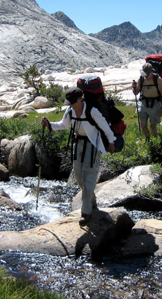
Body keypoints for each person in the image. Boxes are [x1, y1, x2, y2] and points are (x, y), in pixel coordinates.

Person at [41, 87, 115, 226]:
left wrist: (111, 142)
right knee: (78, 175)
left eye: (72, 102)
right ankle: (91, 199)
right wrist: (49, 124)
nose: (70, 105)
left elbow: (105, 127)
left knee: (89, 176)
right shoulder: (70, 111)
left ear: (80, 99)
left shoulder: (92, 111)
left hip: (93, 145)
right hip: (78, 143)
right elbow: (63, 125)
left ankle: (86, 211)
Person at [132, 63, 162, 139]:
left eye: (147, 74)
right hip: (143, 103)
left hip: (155, 104)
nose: (146, 76)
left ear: (152, 72)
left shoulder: (158, 79)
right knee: (143, 125)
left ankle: (155, 140)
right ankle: (148, 140)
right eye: (144, 74)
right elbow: (136, 92)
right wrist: (134, 88)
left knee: (153, 126)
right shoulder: (141, 79)